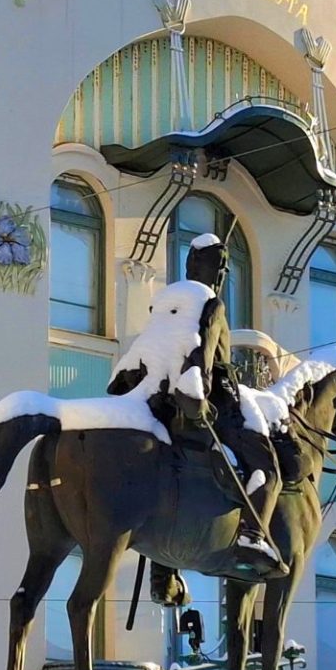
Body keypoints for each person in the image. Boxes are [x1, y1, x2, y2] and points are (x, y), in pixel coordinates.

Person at [107, 233, 285, 579]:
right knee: (268, 465)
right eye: (217, 265)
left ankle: (163, 573)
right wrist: (196, 394)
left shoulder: (165, 301)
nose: (221, 274)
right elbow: (201, 354)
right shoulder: (210, 304)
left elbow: (148, 350)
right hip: (214, 400)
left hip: (159, 397)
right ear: (193, 264)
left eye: (225, 268)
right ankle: (251, 536)